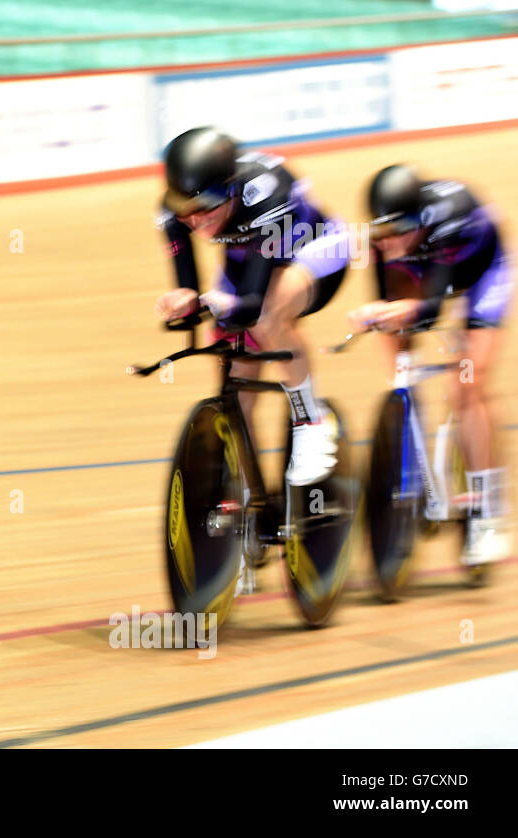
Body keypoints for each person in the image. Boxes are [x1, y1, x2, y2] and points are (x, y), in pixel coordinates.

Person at [153, 126, 350, 486]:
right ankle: (249, 495)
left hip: (314, 249)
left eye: (206, 207)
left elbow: (253, 301)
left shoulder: (265, 191)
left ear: (231, 188)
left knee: (266, 315)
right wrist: (186, 298)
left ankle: (310, 422)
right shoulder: (172, 212)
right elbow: (191, 284)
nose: (195, 220)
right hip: (247, 260)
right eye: (186, 210)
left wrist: (226, 304)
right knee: (236, 385)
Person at [348, 164, 513, 566]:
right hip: (425, 264)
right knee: (398, 346)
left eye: (401, 231)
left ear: (421, 219)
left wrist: (405, 312)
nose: (391, 241)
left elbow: (433, 310)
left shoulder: (446, 220)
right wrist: (398, 372)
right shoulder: (382, 237)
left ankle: (486, 512)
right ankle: (412, 438)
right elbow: (389, 305)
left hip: (481, 270)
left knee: (468, 385)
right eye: (384, 234)